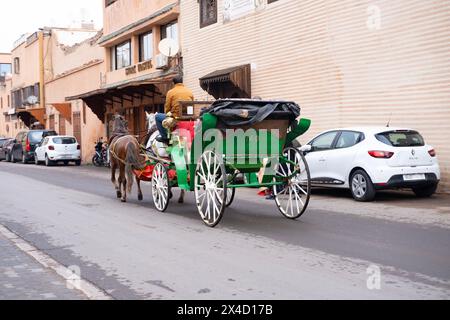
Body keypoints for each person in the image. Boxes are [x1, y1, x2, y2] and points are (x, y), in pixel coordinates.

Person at [156, 76, 194, 144]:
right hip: (188, 118)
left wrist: (168, 114)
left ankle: (164, 138)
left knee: (157, 116)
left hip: (175, 118)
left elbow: (167, 107)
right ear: (182, 82)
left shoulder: (171, 92)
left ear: (173, 83)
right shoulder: (189, 92)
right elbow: (192, 105)